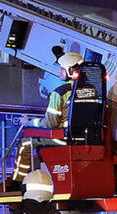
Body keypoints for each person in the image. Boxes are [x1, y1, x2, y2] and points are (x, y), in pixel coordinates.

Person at [12, 46, 84, 182]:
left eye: (62, 68)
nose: (59, 71)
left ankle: (17, 182)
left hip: (63, 138)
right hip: (84, 138)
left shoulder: (60, 93)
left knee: (25, 143)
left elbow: (50, 124)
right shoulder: (92, 90)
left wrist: (28, 122)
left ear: (70, 71)